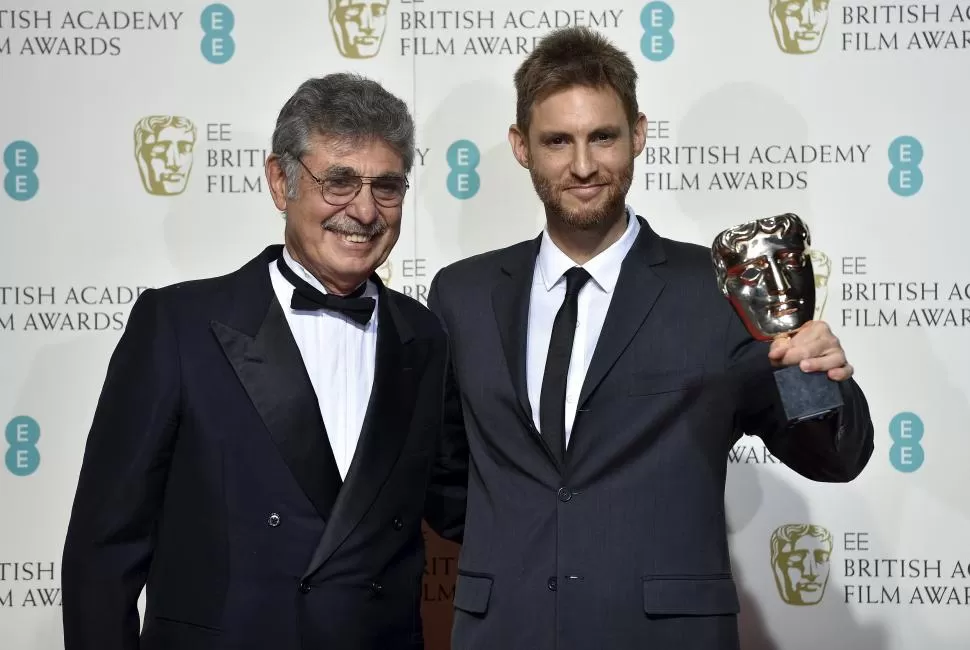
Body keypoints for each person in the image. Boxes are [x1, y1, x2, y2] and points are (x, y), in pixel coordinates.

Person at [427, 27, 873, 649]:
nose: (583, 165)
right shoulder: (462, 295)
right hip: (506, 629)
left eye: (603, 137)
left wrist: (808, 373)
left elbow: (834, 457)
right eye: (558, 141)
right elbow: (444, 476)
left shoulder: (721, 291)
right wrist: (523, 540)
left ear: (638, 134)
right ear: (521, 147)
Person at [62, 73, 466, 650]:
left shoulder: (424, 335)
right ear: (281, 182)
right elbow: (103, 550)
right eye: (340, 181)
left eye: (387, 186)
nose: (365, 210)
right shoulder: (177, 326)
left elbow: (462, 502)